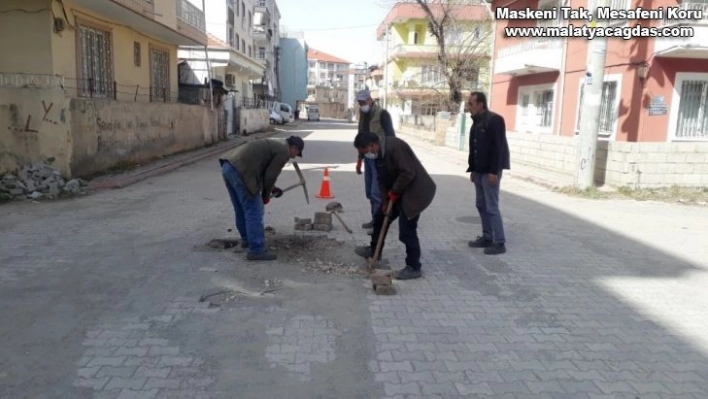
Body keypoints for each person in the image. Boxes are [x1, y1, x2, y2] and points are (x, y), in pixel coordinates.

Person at [353, 132, 436, 280]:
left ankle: (413, 266)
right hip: (398, 191)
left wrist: (394, 192)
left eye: (366, 152)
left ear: (372, 145)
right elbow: (382, 180)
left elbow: (408, 172)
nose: (367, 155)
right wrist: (385, 201)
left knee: (406, 230)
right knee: (379, 218)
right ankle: (374, 252)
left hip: (415, 192)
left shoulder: (394, 147)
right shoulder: (378, 154)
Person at [218, 135, 305, 261]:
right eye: (297, 152)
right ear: (294, 147)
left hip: (229, 166)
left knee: (242, 208)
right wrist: (265, 195)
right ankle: (256, 250)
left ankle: (247, 241)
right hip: (241, 171)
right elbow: (270, 175)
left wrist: (272, 189)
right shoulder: (284, 151)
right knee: (254, 210)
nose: (295, 156)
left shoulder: (277, 143)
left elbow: (264, 168)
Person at [465, 91, 510, 255]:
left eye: (471, 103)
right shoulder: (476, 122)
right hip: (479, 171)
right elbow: (474, 148)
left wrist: (494, 171)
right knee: (480, 204)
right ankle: (487, 236)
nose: (468, 106)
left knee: (491, 206)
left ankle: (499, 242)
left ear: (480, 104)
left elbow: (499, 148)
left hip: (491, 171)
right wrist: (472, 169)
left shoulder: (494, 120)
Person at [354, 89, 396, 235]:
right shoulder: (362, 115)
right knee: (370, 193)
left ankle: (379, 224)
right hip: (368, 159)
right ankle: (374, 219)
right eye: (359, 103)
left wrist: (389, 159)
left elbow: (391, 137)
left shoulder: (382, 114)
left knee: (376, 192)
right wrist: (360, 158)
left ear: (370, 100)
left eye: (363, 102)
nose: (361, 105)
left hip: (379, 159)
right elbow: (361, 138)